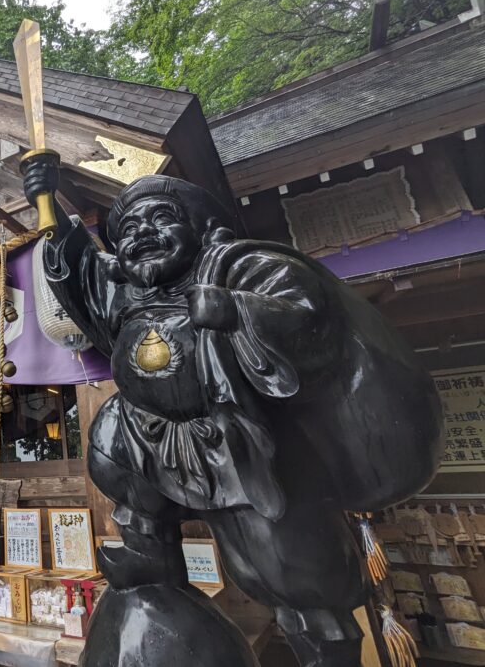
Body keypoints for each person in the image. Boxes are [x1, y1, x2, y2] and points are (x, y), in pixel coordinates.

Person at [22, 157, 442, 667]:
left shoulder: (243, 265)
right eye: (127, 229)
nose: (141, 235)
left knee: (289, 576)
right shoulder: (130, 291)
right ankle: (149, 550)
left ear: (205, 230)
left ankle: (328, 651)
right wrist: (47, 200)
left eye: (159, 219)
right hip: (149, 433)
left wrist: (234, 308)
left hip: (243, 444)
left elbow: (308, 316)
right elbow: (84, 271)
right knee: (110, 429)